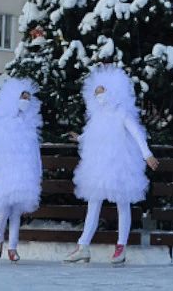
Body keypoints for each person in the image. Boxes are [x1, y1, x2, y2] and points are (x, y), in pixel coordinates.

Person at [63, 66, 159, 265]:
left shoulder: (121, 113)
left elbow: (137, 134)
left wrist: (147, 154)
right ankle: (83, 246)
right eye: (96, 93)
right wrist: (79, 138)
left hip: (120, 163)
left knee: (122, 204)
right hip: (99, 164)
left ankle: (121, 246)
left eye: (102, 92)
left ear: (113, 91)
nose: (99, 97)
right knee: (93, 202)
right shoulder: (97, 116)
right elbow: (93, 135)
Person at [0, 78, 43, 263]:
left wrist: (38, 171)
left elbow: (34, 149)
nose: (25, 102)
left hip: (22, 172)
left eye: (28, 98)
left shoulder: (29, 123)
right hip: (5, 170)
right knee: (3, 210)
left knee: (16, 213)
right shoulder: (1, 123)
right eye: (23, 97)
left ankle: (12, 247)